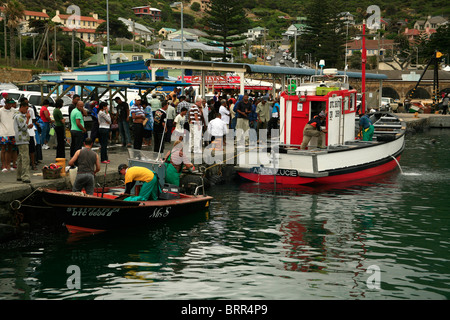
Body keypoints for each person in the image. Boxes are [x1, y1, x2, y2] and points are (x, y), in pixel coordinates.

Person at [13, 100, 33, 183]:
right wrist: (28, 119)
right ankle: (25, 176)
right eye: (26, 108)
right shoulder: (19, 116)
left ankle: (19, 175)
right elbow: (23, 127)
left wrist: (28, 124)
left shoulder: (18, 115)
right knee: (25, 158)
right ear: (22, 107)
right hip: (22, 139)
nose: (27, 111)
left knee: (20, 158)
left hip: (21, 138)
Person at [0, 98, 17, 172]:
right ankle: (3, 165)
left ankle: (8, 165)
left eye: (12, 104)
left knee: (10, 149)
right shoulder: (0, 111)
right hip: (3, 133)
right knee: (3, 149)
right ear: (6, 104)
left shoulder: (14, 110)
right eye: (9, 104)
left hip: (12, 132)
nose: (11, 105)